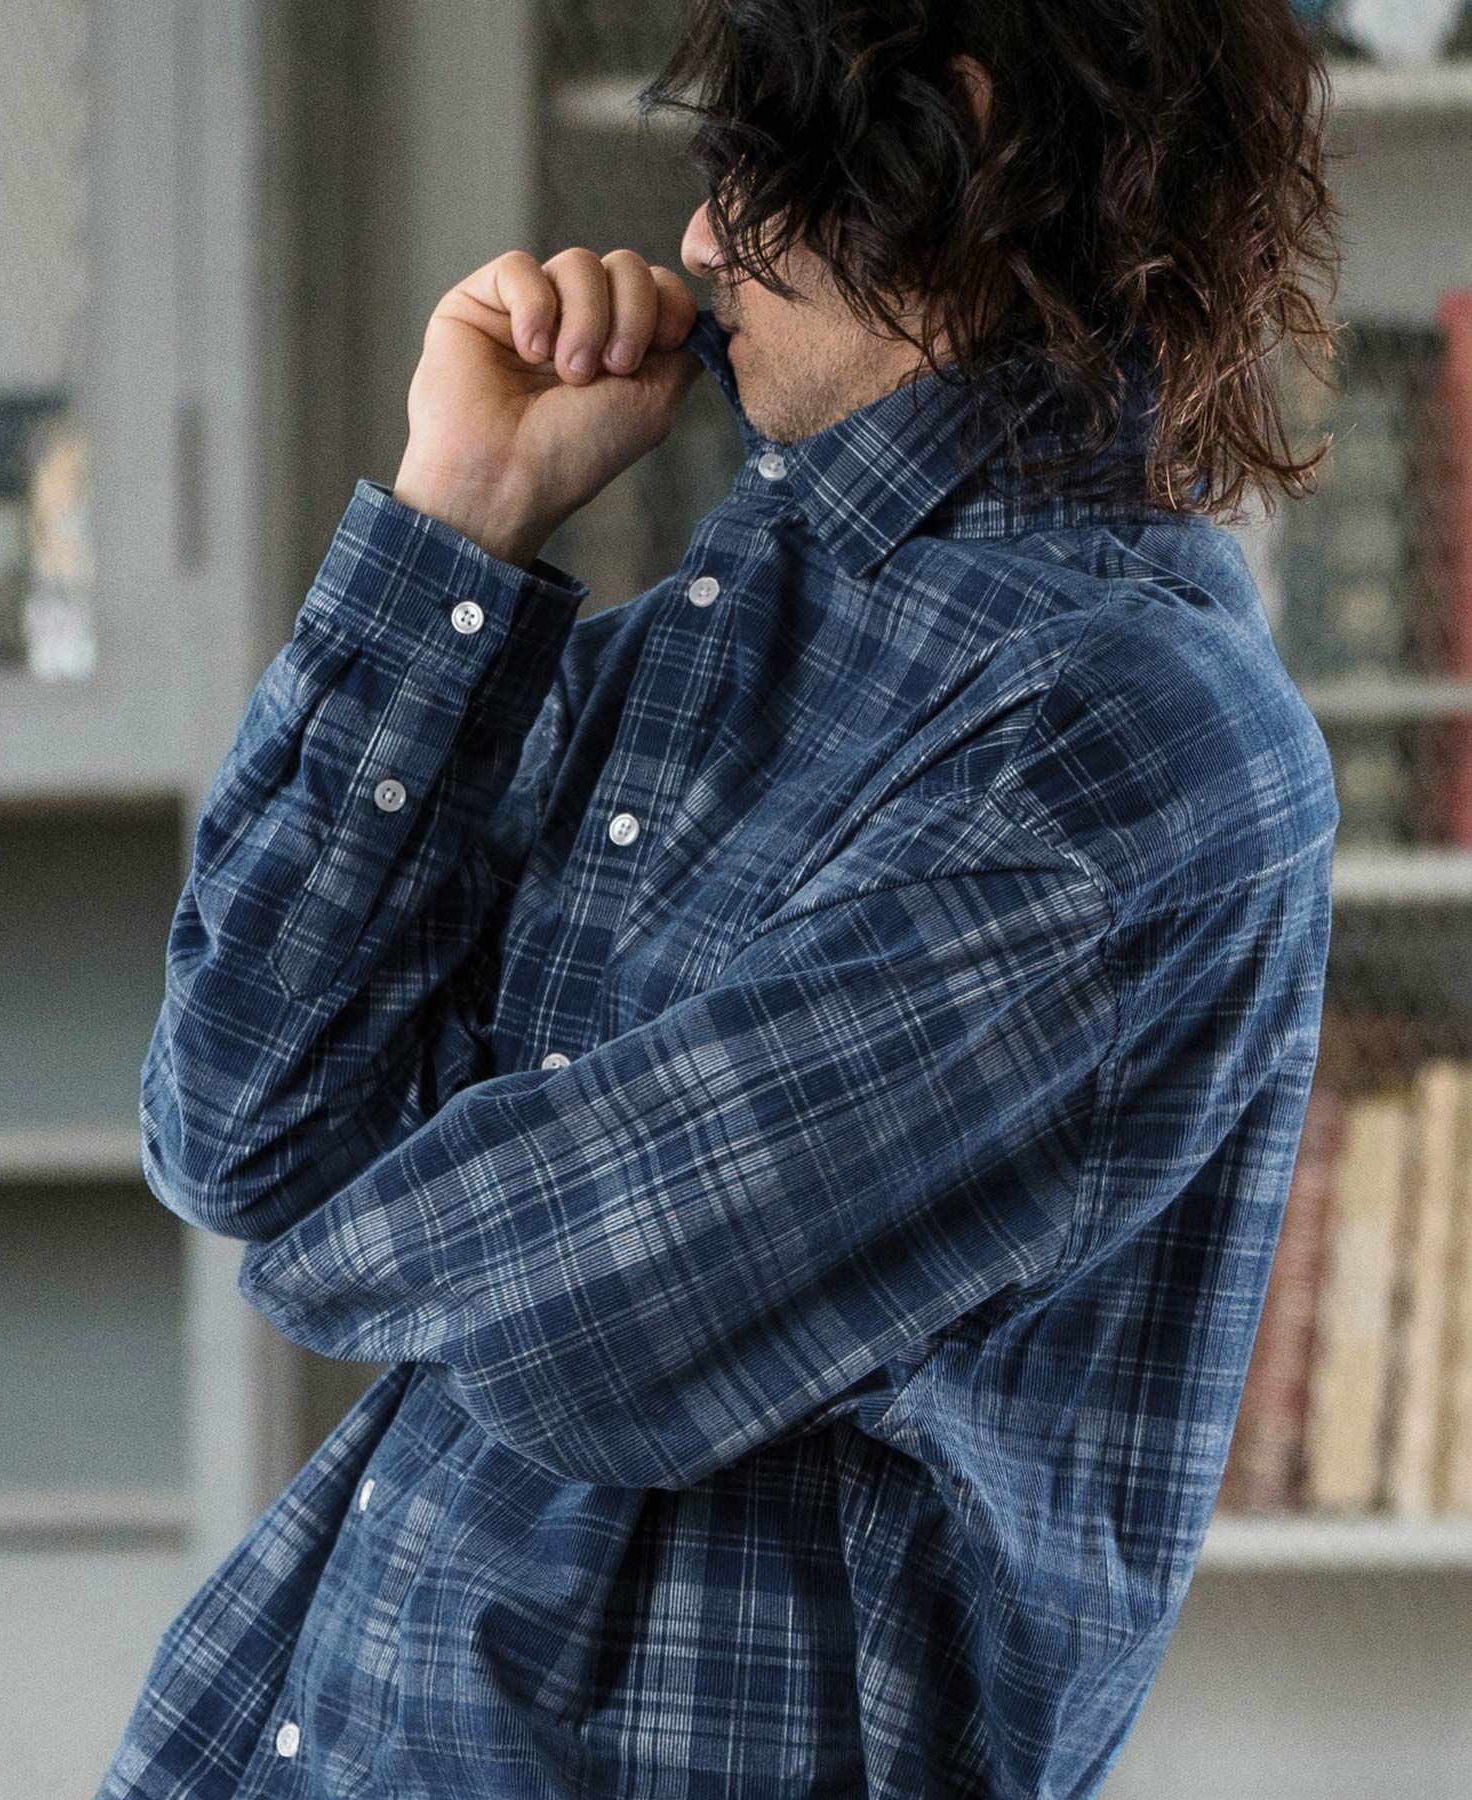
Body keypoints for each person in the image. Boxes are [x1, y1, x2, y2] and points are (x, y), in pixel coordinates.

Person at [96, 2, 1344, 1795]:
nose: (695, 237)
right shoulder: (729, 620)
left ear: (965, 135)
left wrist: (330, 1225)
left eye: (765, 166)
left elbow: (575, 1320)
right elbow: (240, 1119)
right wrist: (458, 524)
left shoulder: (1119, 737)